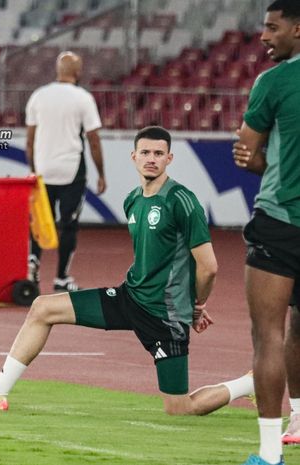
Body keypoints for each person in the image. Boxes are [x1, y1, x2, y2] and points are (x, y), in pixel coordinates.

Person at [0, 126, 254, 420]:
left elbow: (209, 266)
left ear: (169, 159)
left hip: (165, 315)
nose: (151, 158)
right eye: (145, 152)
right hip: (130, 298)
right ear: (133, 156)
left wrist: (196, 306)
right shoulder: (132, 200)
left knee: (179, 408)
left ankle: (250, 383)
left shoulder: (182, 202)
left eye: (159, 153)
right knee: (42, 308)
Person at [232, 2, 300, 464]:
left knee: (268, 337)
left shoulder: (273, 82)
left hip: (280, 222)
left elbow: (248, 152)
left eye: (273, 28)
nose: (263, 36)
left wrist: (268, 163)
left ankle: (270, 454)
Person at [24, 51, 106, 292]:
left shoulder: (38, 96)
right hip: (71, 170)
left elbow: (29, 140)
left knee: (39, 221)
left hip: (43, 169)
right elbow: (93, 140)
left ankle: (33, 264)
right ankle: (61, 277)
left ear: (57, 70)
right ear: (78, 72)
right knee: (68, 224)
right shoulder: (83, 98)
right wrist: (101, 173)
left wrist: (33, 172)